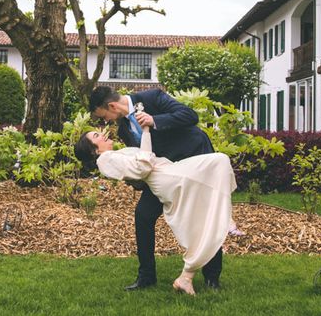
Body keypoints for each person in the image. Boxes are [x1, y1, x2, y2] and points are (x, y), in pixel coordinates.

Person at [85, 86, 226, 292]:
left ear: (112, 106)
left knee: (206, 216)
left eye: (104, 116)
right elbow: (144, 158)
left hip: (194, 158)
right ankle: (146, 277)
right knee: (143, 215)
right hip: (165, 174)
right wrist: (134, 179)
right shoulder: (124, 128)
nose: (106, 122)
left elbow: (190, 116)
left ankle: (212, 278)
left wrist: (155, 121)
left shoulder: (152, 97)